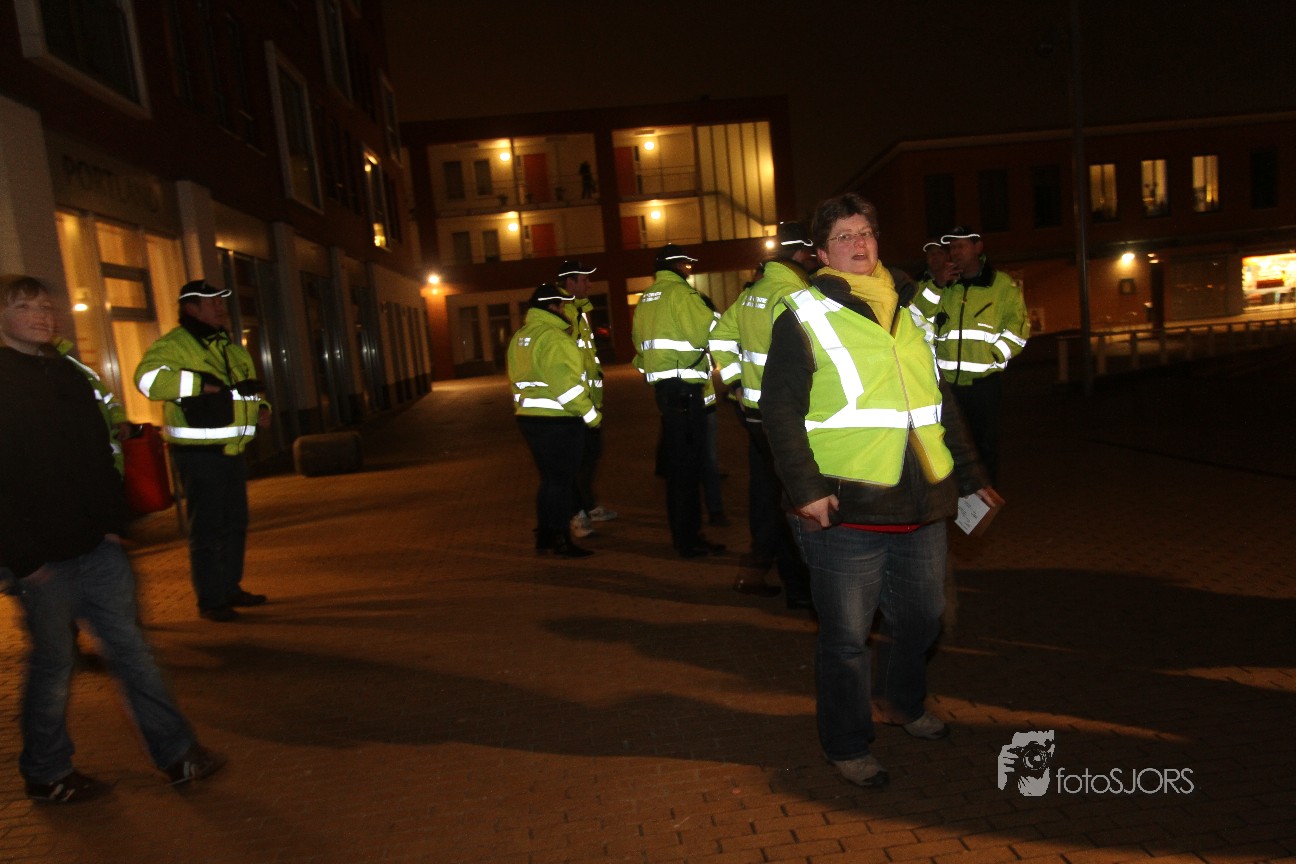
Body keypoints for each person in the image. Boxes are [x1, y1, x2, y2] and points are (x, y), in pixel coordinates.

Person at [760, 195, 1000, 789]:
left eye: (865, 232)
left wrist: (972, 478)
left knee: (923, 619)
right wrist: (806, 490)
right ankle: (847, 743)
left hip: (923, 502)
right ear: (821, 254)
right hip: (845, 508)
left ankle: (901, 701)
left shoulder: (910, 312)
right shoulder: (803, 316)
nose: (858, 243)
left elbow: (940, 404)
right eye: (843, 236)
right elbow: (779, 411)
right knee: (846, 640)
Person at [0, 274, 225, 803]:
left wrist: (112, 525)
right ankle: (46, 772)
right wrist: (24, 560)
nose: (42, 315)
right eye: (25, 307)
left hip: (96, 547)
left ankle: (178, 755)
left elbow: (100, 453)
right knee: (54, 666)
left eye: (46, 305)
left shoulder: (68, 374)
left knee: (134, 652)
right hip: (40, 562)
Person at [135, 281, 271, 622]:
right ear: (191, 309)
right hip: (198, 455)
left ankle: (230, 587)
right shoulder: (175, 345)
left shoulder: (230, 348)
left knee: (235, 524)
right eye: (213, 303)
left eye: (221, 302)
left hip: (232, 451)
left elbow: (248, 389)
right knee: (208, 530)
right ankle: (211, 600)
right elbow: (147, 380)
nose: (221, 307)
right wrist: (200, 385)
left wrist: (262, 408)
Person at [709, 222, 817, 605]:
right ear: (801, 254)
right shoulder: (797, 295)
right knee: (795, 497)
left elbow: (719, 337)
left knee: (768, 493)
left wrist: (736, 384)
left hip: (754, 415)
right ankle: (800, 588)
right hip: (787, 417)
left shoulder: (752, 293)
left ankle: (765, 570)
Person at [631, 244, 725, 558]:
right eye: (686, 264)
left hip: (665, 391)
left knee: (677, 469)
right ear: (677, 266)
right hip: (686, 390)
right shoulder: (682, 295)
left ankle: (683, 536)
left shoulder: (647, 298)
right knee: (688, 469)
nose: (689, 269)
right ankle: (689, 540)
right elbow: (711, 332)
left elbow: (639, 348)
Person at [930, 226, 1030, 484]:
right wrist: (937, 285)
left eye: (961, 246)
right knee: (949, 445)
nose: (955, 252)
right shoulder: (944, 285)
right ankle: (958, 497)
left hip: (983, 385)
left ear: (978, 247)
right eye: (952, 247)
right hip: (947, 385)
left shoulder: (1001, 285)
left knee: (984, 446)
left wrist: (994, 356)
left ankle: (985, 498)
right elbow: (919, 319)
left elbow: (1018, 328)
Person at [508, 284, 601, 558]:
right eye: (561, 305)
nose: (565, 310)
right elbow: (567, 388)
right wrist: (592, 416)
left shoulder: (521, 337)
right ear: (551, 307)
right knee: (561, 482)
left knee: (549, 481)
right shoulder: (555, 338)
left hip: (529, 419)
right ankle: (561, 539)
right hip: (558, 420)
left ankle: (545, 537)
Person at [557, 260, 618, 540]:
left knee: (591, 455)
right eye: (584, 280)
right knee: (576, 461)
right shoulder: (563, 312)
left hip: (587, 401)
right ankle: (576, 515)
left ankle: (588, 505)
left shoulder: (578, 310)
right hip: (574, 403)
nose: (589, 284)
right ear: (570, 283)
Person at [912, 238, 957, 323]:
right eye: (931, 254)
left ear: (948, 256)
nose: (935, 257)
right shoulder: (915, 284)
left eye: (940, 253)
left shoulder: (959, 282)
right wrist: (937, 284)